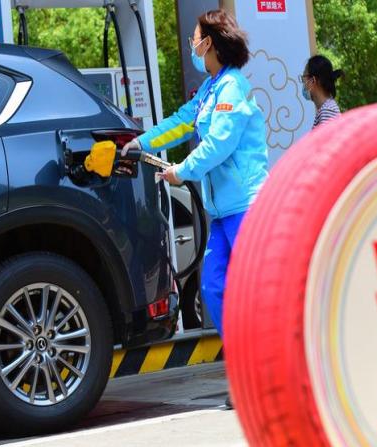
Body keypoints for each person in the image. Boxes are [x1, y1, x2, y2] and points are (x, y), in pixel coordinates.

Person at [122, 10, 267, 345]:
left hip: (246, 208)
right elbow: (180, 123)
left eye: (195, 38)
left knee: (257, 290)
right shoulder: (210, 89)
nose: (192, 45)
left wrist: (182, 171)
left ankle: (274, 358)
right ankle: (243, 359)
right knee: (214, 288)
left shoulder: (232, 88)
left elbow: (219, 144)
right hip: (223, 213)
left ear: (208, 44)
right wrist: (141, 143)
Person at [299, 55, 344, 128]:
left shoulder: (327, 111)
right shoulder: (326, 109)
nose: (303, 83)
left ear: (312, 80)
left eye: (303, 78)